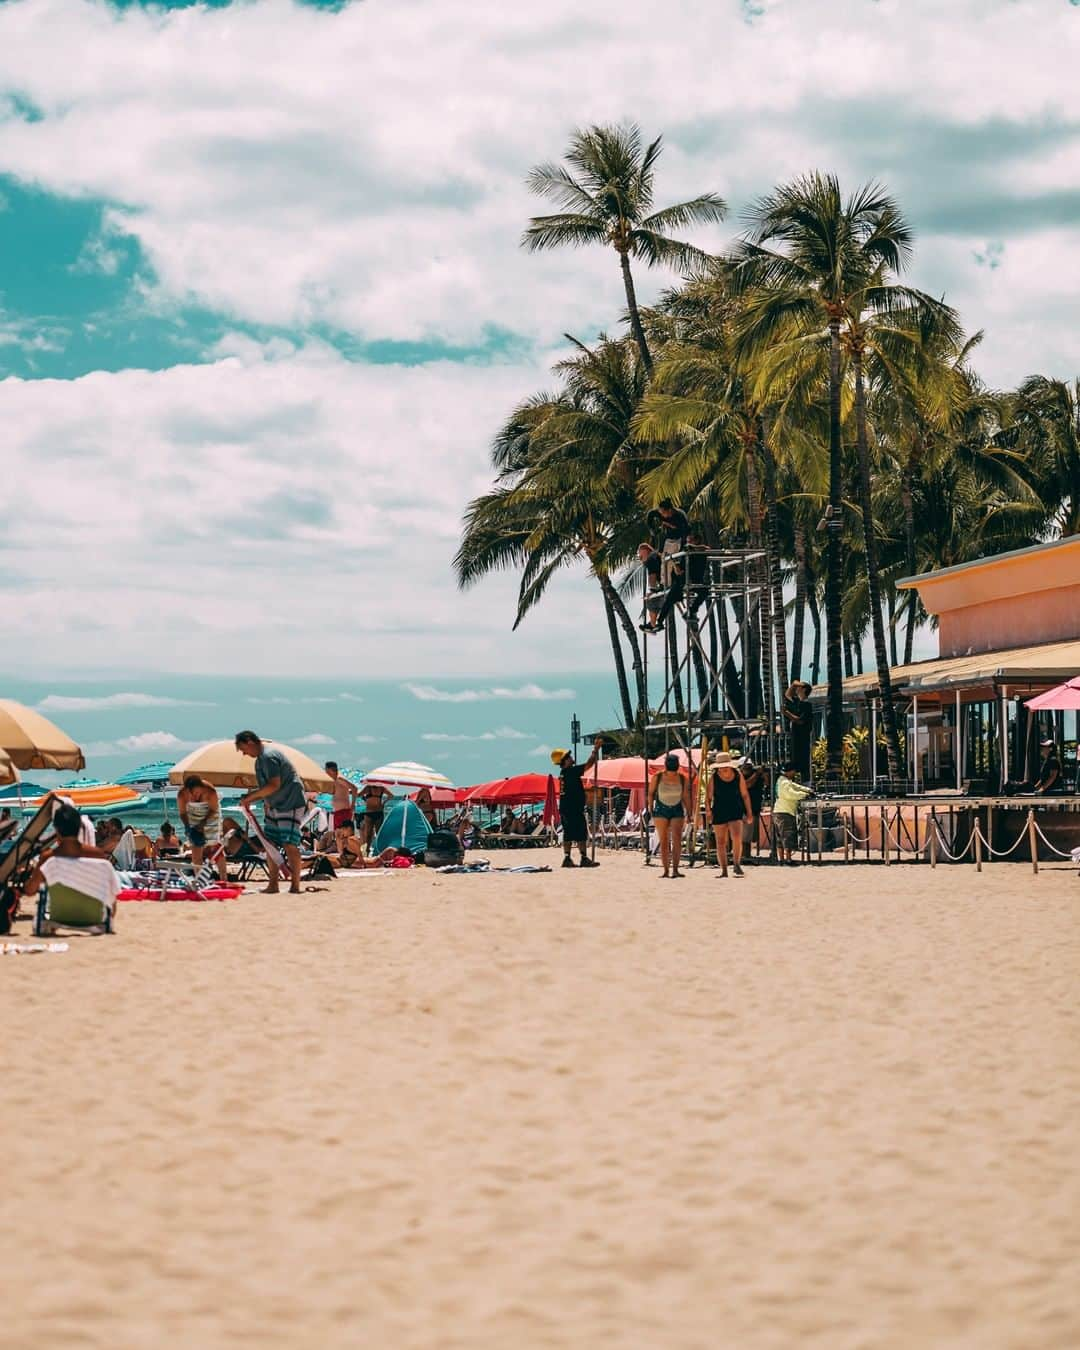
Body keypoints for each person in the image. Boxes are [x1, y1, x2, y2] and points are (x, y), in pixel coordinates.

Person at [234, 731, 306, 895]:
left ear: (250, 742)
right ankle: (273, 884)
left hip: (290, 801)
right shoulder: (260, 760)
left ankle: (295, 885)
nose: (244, 753)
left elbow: (274, 785)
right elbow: (267, 788)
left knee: (289, 844)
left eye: (243, 749)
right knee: (270, 845)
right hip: (275, 804)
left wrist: (250, 798)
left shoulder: (268, 757)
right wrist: (264, 802)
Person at [551, 739, 603, 868]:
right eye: (568, 757)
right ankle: (584, 858)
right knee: (580, 833)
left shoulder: (564, 774)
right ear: (564, 761)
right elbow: (589, 764)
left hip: (566, 808)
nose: (571, 757)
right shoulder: (571, 772)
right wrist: (595, 750)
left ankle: (567, 858)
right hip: (574, 809)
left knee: (568, 833)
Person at [707, 750, 753, 878]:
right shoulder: (714, 778)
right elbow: (708, 797)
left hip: (735, 809)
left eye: (725, 766)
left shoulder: (738, 775)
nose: (723, 769)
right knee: (721, 842)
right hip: (719, 810)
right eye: (721, 767)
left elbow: (745, 795)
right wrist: (709, 811)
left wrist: (749, 812)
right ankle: (724, 870)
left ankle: (737, 864)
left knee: (737, 837)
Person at [648, 752, 692, 879]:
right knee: (664, 840)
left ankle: (675, 869)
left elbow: (685, 796)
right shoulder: (658, 776)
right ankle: (666, 870)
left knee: (677, 840)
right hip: (661, 809)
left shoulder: (683, 778)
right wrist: (651, 808)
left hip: (676, 809)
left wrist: (689, 812)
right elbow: (651, 793)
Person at [177, 774, 227, 883]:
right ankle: (199, 881)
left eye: (198, 793)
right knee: (196, 845)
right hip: (193, 814)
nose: (196, 796)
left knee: (215, 847)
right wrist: (188, 827)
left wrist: (203, 823)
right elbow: (182, 813)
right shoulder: (182, 794)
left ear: (202, 788)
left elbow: (214, 809)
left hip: (211, 814)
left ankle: (224, 879)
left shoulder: (210, 791)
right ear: (187, 790)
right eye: (193, 794)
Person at [774, 763, 813, 866]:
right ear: (789, 771)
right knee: (787, 836)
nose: (794, 773)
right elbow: (790, 794)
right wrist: (805, 795)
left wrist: (807, 790)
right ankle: (788, 860)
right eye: (793, 771)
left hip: (778, 811)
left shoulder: (781, 780)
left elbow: (795, 786)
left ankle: (781, 860)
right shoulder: (785, 783)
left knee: (780, 837)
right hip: (785, 812)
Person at [783, 680, 813, 783]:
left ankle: (806, 785)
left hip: (803, 738)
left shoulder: (807, 705)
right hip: (795, 737)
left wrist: (787, 713)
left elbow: (800, 720)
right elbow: (787, 694)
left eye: (799, 687)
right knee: (793, 762)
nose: (797, 689)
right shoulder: (797, 702)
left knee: (803, 763)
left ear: (804, 689)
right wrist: (794, 684)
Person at [325, 761, 359, 852]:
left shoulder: (340, 778)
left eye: (327, 771)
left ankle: (351, 852)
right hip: (337, 812)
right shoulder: (334, 781)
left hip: (344, 811)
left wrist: (353, 804)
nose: (326, 773)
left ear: (331, 770)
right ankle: (341, 854)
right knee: (338, 835)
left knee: (345, 835)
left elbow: (354, 788)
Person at [740, 759, 768, 863]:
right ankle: (744, 857)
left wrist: (764, 774)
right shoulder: (740, 777)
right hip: (743, 809)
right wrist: (757, 773)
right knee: (744, 837)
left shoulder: (756, 776)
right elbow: (747, 785)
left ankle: (747, 856)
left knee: (750, 837)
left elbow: (767, 783)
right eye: (745, 767)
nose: (747, 769)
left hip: (754, 809)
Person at [637, 541, 666, 632]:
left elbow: (652, 576)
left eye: (640, 552)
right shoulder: (655, 556)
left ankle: (653, 624)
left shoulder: (651, 559)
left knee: (651, 598)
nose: (639, 556)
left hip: (666, 583)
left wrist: (652, 590)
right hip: (666, 582)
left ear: (645, 551)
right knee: (655, 599)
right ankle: (654, 624)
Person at [360, 781, 392, 854]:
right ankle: (367, 850)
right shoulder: (368, 788)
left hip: (376, 812)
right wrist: (364, 799)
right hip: (370, 812)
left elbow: (391, 795)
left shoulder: (381, 788)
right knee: (369, 833)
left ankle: (378, 849)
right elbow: (359, 795)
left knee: (377, 833)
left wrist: (384, 802)